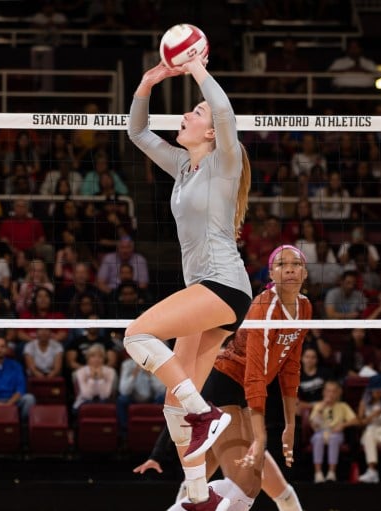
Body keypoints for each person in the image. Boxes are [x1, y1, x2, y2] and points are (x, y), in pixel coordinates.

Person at [126, 50, 253, 511]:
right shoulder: (183, 167)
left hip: (223, 286)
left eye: (194, 112)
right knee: (172, 406)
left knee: (137, 334)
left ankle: (207, 414)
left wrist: (197, 66)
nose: (186, 115)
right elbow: (137, 132)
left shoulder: (226, 159)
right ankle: (198, 497)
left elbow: (223, 111)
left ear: (212, 131)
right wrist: (148, 81)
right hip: (205, 291)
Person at [161, 245, 310, 511]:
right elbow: (254, 373)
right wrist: (260, 433)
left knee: (216, 479)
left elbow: (291, 368)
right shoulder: (264, 306)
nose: (289, 268)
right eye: (281, 264)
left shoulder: (305, 307)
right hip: (224, 385)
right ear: (271, 274)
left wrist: (290, 424)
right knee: (244, 483)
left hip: (246, 393)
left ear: (306, 272)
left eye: (296, 263)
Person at [309, 380, 359, 482]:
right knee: (318, 438)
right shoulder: (318, 405)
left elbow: (356, 421)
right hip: (320, 431)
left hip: (335, 432)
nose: (330, 394)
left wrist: (343, 425)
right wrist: (322, 408)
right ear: (324, 392)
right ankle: (318, 472)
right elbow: (313, 425)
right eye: (328, 391)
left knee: (334, 439)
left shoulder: (343, 406)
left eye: (333, 391)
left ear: (338, 393)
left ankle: (332, 472)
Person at [0, 336, 36, 420]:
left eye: (2, 346)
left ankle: (21, 426)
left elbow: (21, 388)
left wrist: (10, 403)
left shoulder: (16, 365)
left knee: (29, 398)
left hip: (12, 399)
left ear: (7, 349)